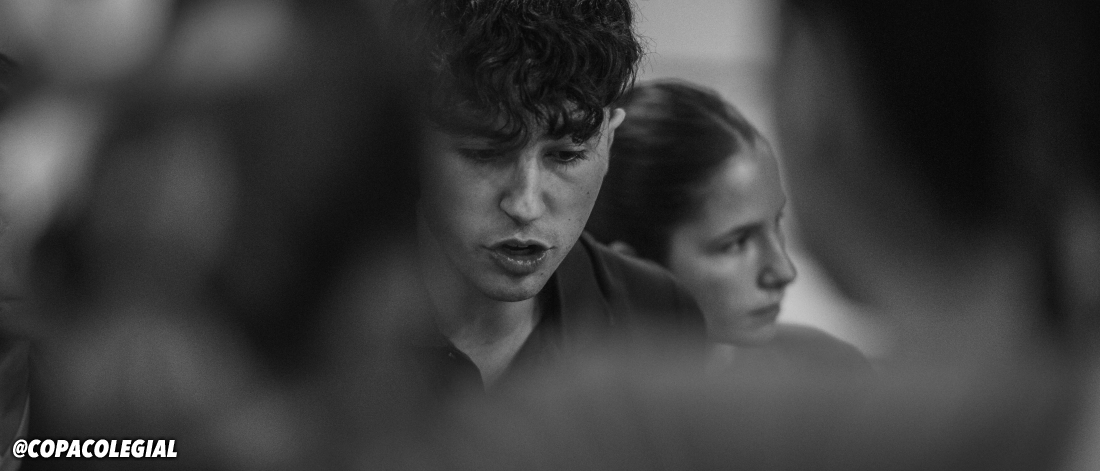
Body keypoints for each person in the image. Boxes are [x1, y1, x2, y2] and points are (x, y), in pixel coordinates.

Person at [392, 0, 706, 392]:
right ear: (408, 143)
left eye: (566, 156)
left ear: (609, 141)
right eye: (484, 153)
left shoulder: (658, 318)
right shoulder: (332, 320)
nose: (525, 205)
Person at [586, 79, 868, 379]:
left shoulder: (832, 374)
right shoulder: (571, 398)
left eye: (777, 223)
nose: (783, 272)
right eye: (737, 243)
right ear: (630, 269)